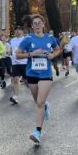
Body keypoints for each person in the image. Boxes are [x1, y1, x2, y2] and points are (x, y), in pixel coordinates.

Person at [16, 15, 60, 144]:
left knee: (39, 102)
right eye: (34, 23)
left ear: (43, 24)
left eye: (39, 23)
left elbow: (58, 49)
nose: (37, 25)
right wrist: (32, 54)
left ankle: (37, 132)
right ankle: (45, 106)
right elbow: (17, 54)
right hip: (31, 73)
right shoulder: (28, 39)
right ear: (32, 26)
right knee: (38, 102)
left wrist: (53, 55)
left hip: (46, 74)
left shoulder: (50, 38)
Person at [9, 27, 27, 105]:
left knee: (28, 81)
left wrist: (23, 51)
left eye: (19, 30)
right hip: (15, 63)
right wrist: (9, 52)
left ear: (22, 31)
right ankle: (15, 97)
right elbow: (11, 50)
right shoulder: (12, 40)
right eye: (15, 30)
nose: (17, 31)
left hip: (25, 62)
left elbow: (29, 50)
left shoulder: (26, 39)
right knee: (15, 80)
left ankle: (36, 95)